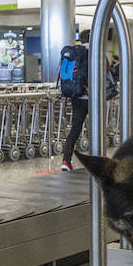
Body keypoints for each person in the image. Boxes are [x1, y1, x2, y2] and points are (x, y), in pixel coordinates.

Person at [60, 29, 92, 172]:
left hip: (76, 96)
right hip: (92, 98)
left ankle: (66, 161)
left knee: (75, 128)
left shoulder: (75, 52)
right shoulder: (94, 53)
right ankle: (96, 159)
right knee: (96, 128)